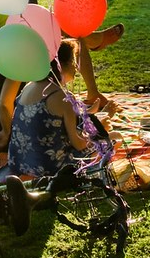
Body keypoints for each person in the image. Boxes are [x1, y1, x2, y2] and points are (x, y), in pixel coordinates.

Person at [8, 39, 100, 177]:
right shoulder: (62, 97)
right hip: (48, 168)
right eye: (73, 62)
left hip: (18, 163)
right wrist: (98, 132)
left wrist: (89, 113)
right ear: (61, 65)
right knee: (111, 140)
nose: (76, 67)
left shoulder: (29, 86)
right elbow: (78, 144)